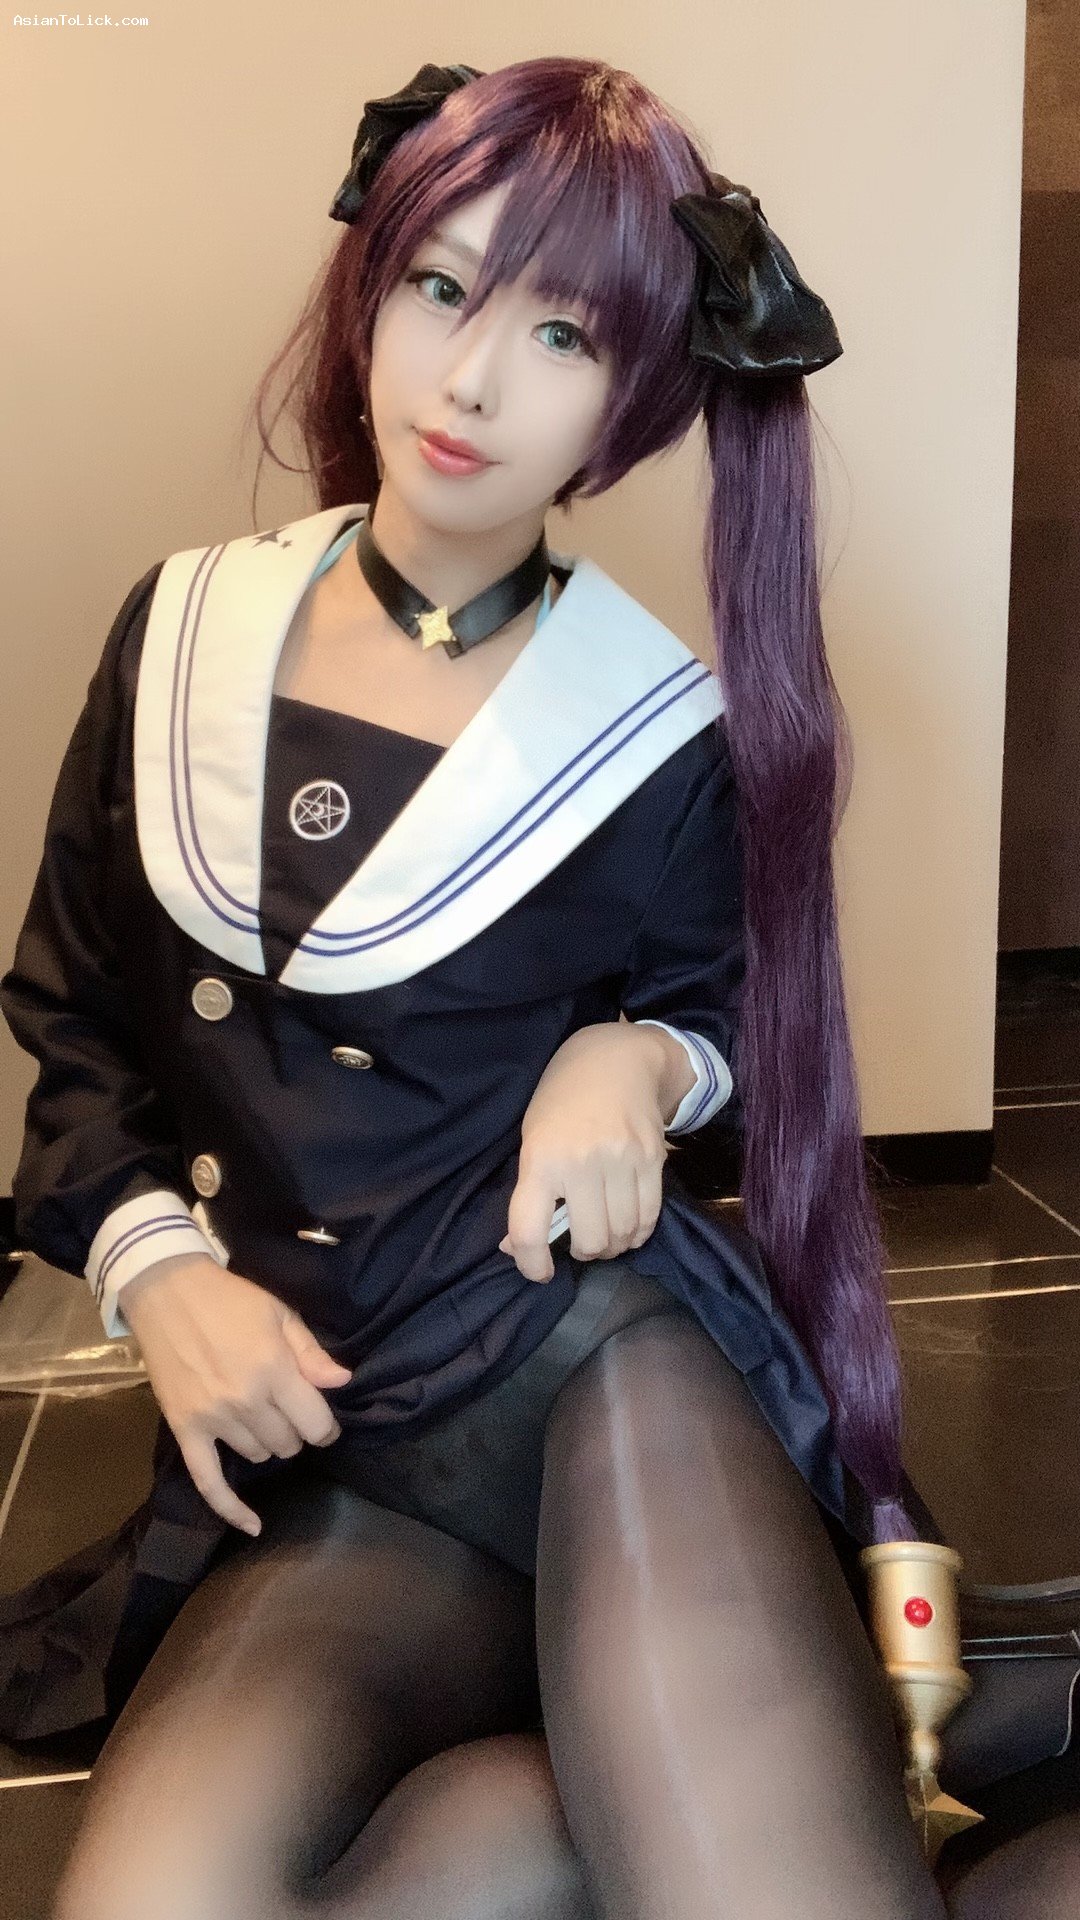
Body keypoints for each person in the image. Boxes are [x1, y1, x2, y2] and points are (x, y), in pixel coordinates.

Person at [0, 52, 1067, 1919]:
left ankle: (706, 1752)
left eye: (562, 333)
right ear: (372, 280)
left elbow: (736, 1032)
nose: (473, 379)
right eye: (442, 285)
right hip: (345, 1451)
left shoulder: (652, 728)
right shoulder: (179, 631)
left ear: (631, 400)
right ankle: (671, 1764)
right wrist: (160, 1276)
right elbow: (79, 1024)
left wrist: (638, 1063)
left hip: (597, 1378)